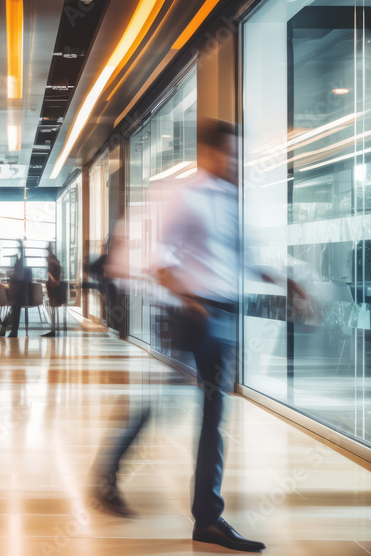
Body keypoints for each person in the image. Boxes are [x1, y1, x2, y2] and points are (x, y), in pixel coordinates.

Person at [92, 119, 272, 553]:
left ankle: (200, 515)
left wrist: (288, 281)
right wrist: (188, 299)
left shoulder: (232, 199)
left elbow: (243, 257)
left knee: (204, 413)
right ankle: (199, 514)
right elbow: (159, 259)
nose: (234, 160)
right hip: (193, 314)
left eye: (236, 153)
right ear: (209, 153)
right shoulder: (185, 196)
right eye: (228, 152)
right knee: (192, 409)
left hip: (221, 315)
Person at [0, 241, 29, 338]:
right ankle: (10, 331)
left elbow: (18, 275)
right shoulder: (21, 261)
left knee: (14, 311)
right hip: (19, 289)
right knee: (14, 312)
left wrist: (11, 274)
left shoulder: (20, 262)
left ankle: (7, 331)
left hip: (17, 289)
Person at [43, 243, 63, 338]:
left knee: (53, 308)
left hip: (52, 286)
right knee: (54, 308)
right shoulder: (57, 262)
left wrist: (53, 279)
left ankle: (53, 330)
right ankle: (54, 329)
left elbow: (50, 272)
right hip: (57, 286)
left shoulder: (51, 261)